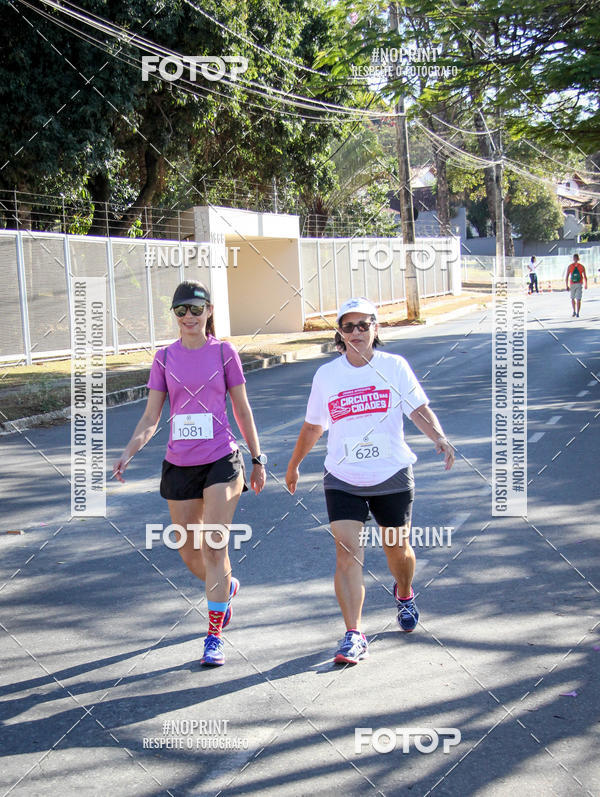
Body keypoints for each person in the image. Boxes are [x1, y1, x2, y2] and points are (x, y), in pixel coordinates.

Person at [285, 297, 454, 665]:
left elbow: (418, 409)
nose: (357, 332)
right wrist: (295, 464)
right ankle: (353, 634)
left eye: (365, 325)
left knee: (398, 549)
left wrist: (438, 436)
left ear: (376, 328)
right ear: (340, 334)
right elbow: (314, 425)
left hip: (391, 474)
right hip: (342, 477)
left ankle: (405, 592)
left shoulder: (394, 367)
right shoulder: (327, 375)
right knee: (346, 553)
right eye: (349, 326)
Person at [113, 280, 267, 666]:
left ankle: (213, 635)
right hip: (179, 463)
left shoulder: (224, 353)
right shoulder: (165, 357)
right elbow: (152, 416)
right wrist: (129, 451)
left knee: (215, 545)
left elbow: (242, 410)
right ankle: (226, 587)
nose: (188, 317)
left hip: (221, 458)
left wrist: (257, 458)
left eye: (196, 309)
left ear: (209, 311)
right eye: (181, 310)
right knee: (188, 549)